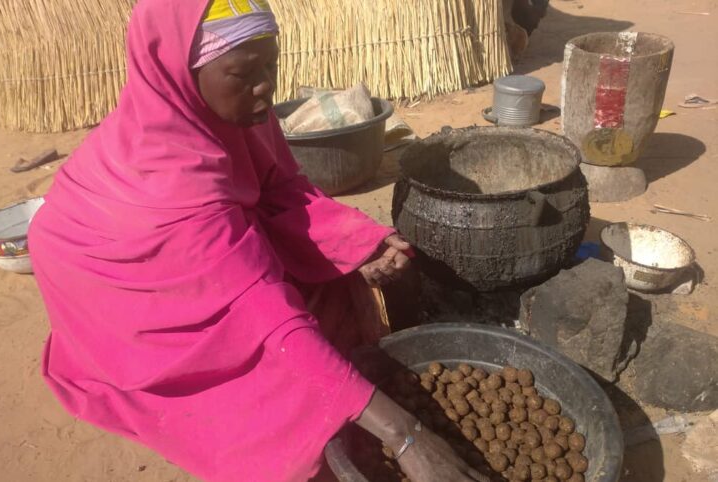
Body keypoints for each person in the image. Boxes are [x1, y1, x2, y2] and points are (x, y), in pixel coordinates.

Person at [29, 1, 489, 481]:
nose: (266, 85)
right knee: (269, 402)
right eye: (244, 73)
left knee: (330, 294)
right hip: (111, 290)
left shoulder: (240, 110)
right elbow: (264, 318)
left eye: (271, 64)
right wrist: (405, 434)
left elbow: (281, 189)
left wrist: (356, 243)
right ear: (179, 74)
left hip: (197, 243)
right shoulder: (173, 177)